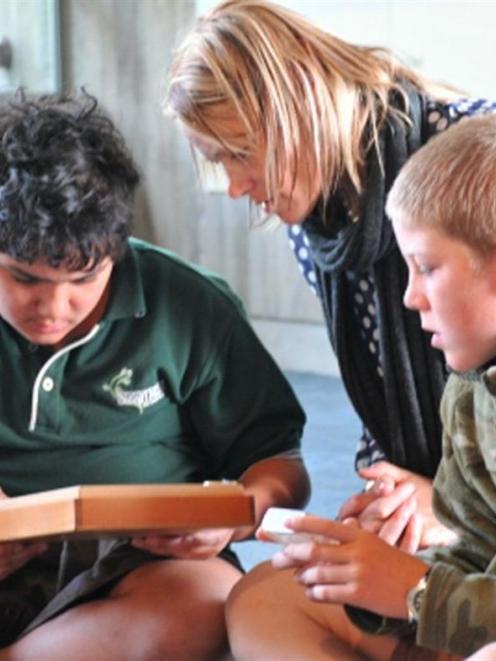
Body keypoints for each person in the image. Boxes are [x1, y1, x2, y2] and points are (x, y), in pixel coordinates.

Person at [165, 0, 496, 550]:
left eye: (240, 153)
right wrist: (387, 492)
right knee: (274, 598)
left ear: (296, 104)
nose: (235, 186)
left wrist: (451, 504)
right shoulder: (317, 224)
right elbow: (382, 385)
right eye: (218, 162)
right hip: (439, 492)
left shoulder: (464, 143)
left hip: (475, 497)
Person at [0, 90, 310, 660]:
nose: (53, 307)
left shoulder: (191, 304)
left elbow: (279, 464)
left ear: (116, 251)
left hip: (136, 572)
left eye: (83, 280)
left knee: (211, 602)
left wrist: (231, 521)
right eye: (24, 279)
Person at [227, 113, 496, 659]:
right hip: (471, 619)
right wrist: (360, 576)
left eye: (426, 268)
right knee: (263, 598)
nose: (409, 297)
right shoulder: (469, 387)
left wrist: (414, 591)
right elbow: (472, 552)